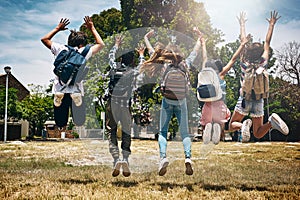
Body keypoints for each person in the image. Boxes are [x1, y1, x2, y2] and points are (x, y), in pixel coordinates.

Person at [140, 28, 203, 176]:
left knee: (163, 131)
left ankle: (163, 158)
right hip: (181, 100)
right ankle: (187, 158)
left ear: (168, 53)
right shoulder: (185, 64)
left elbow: (150, 50)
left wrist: (146, 37)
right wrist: (199, 37)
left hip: (167, 100)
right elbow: (195, 51)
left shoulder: (163, 64)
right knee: (185, 133)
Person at [229, 11, 289, 141]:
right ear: (261, 52)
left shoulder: (244, 62)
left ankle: (242, 125)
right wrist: (271, 25)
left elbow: (242, 41)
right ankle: (271, 122)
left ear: (248, 53)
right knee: (257, 133)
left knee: (232, 125)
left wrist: (242, 24)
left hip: (245, 99)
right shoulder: (263, 62)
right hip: (259, 99)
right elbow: (267, 42)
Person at [41, 17, 105, 129]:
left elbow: (44, 39)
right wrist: (92, 28)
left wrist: (58, 28)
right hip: (76, 89)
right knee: (79, 121)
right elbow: (101, 44)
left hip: (59, 88)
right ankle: (77, 101)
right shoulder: (84, 51)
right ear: (82, 43)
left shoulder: (61, 48)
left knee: (60, 122)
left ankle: (57, 100)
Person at [199, 22, 249, 145]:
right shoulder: (221, 74)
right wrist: (242, 45)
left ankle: (208, 130)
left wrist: (203, 43)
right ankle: (218, 137)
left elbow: (204, 58)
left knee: (206, 124)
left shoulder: (205, 73)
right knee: (220, 127)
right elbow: (233, 59)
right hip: (219, 105)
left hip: (207, 105)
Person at [105, 35, 136, 177]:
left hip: (112, 104)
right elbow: (143, 66)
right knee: (126, 132)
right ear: (132, 61)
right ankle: (125, 159)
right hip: (126, 106)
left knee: (111, 131)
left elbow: (110, 56)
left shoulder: (114, 66)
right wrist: (141, 55)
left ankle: (116, 158)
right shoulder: (133, 72)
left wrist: (116, 44)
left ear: (121, 59)